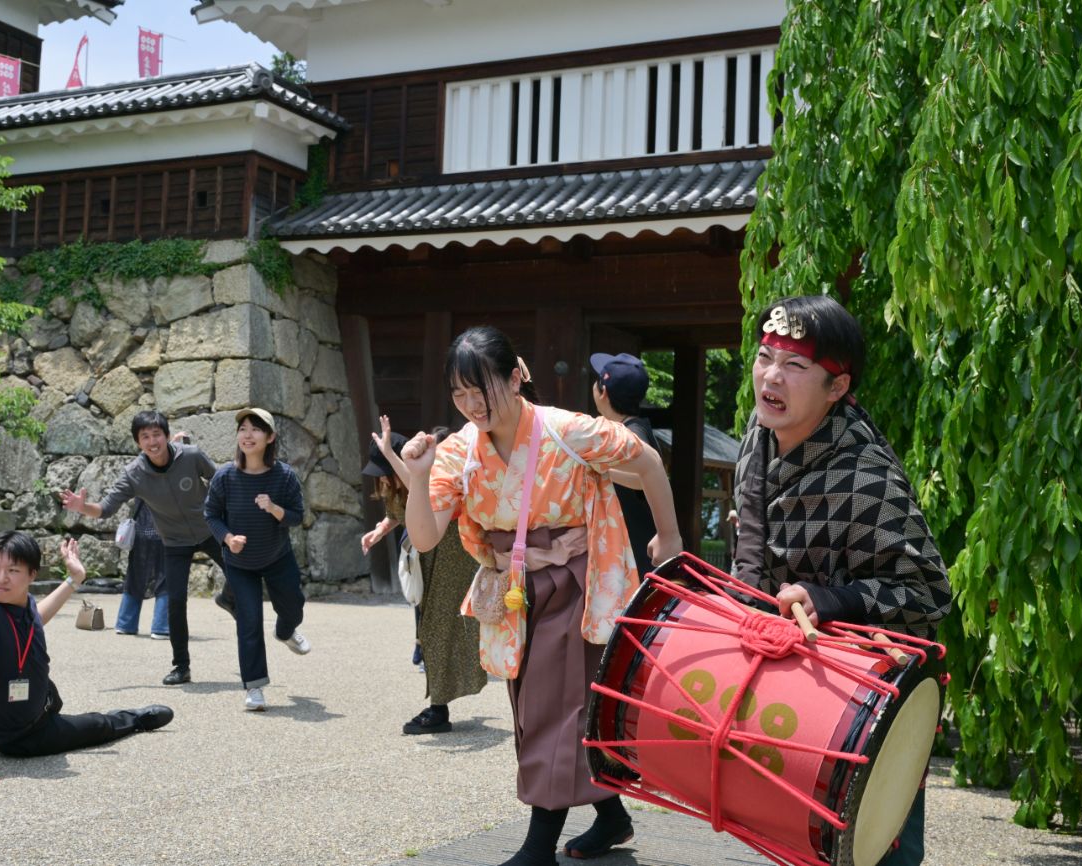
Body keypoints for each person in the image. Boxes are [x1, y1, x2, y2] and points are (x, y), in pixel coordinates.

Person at [401, 326, 683, 866]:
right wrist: (416, 478)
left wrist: (667, 537)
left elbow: (646, 460)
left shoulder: (566, 430)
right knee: (537, 709)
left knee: (553, 710)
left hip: (574, 581)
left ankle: (538, 847)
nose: (472, 404)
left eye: (482, 388)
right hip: (515, 589)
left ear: (515, 376)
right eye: (459, 393)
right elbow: (425, 536)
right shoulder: (459, 452)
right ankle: (612, 815)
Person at [732, 295, 951, 865]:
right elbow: (751, 554)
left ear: (837, 388)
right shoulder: (756, 443)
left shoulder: (867, 476)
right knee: (792, 839)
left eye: (795, 366)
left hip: (868, 702)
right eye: (764, 356)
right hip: (793, 687)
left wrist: (829, 600)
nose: (770, 376)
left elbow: (929, 591)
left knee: (876, 849)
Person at [0, 531, 173, 785]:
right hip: (23, 735)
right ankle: (135, 719)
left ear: (32, 575)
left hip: (41, 703)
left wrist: (75, 578)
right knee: (94, 726)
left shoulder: (17, 604)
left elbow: (37, 618)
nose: (0, 578)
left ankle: (59, 708)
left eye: (12, 570)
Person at [60, 410, 231, 686]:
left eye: (156, 434)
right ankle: (181, 666)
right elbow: (104, 509)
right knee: (176, 602)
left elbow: (223, 480)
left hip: (209, 529)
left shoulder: (191, 455)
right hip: (174, 541)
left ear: (166, 435)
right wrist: (82, 507)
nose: (152, 441)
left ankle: (228, 599)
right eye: (145, 437)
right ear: (138, 443)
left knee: (242, 570)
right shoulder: (134, 473)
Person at [361, 416, 487, 735]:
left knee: (437, 626)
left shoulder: (461, 477)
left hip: (452, 558)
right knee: (435, 626)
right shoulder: (442, 479)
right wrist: (390, 453)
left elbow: (422, 490)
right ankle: (438, 706)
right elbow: (416, 489)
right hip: (437, 557)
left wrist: (392, 455)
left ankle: (438, 709)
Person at [203, 407, 311, 712]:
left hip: (278, 557)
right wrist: (227, 538)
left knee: (293, 606)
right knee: (249, 621)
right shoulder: (225, 476)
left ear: (270, 437)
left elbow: (296, 517)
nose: (247, 435)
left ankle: (286, 631)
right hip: (240, 564)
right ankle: (254, 687)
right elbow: (210, 514)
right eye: (242, 429)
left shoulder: (284, 476)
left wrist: (275, 509)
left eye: (255, 429)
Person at [589, 352, 662, 575]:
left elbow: (642, 479)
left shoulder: (632, 434)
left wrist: (597, 469)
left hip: (640, 561)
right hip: (637, 557)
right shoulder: (630, 428)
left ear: (603, 392)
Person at [113, 500, 170, 639]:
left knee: (135, 576)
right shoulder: (174, 478)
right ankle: (161, 627)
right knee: (166, 577)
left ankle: (125, 624)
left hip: (141, 531)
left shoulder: (142, 477)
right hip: (167, 532)